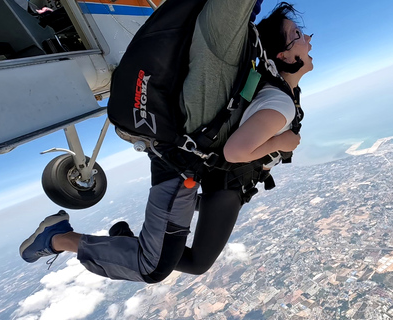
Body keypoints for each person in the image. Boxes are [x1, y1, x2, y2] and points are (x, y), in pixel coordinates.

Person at [19, 0, 313, 283]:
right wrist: (281, 143)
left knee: (183, 262)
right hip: (181, 161)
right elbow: (237, 150)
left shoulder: (254, 68)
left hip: (191, 161)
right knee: (153, 266)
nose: (309, 37)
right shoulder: (228, 42)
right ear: (282, 56)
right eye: (298, 35)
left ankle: (122, 240)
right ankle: (58, 238)